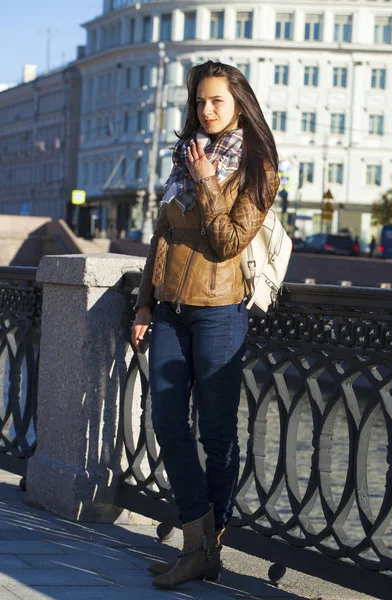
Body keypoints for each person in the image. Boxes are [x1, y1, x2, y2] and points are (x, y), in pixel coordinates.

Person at [131, 60, 280, 590]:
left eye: (216, 100)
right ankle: (196, 544)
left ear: (239, 102)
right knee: (168, 422)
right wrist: (145, 301)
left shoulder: (259, 168)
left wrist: (209, 181)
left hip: (219, 312)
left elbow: (228, 243)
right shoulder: (185, 154)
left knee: (217, 436)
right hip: (170, 308)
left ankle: (205, 550)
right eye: (199, 101)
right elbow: (163, 235)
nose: (206, 110)